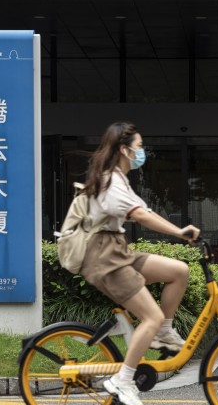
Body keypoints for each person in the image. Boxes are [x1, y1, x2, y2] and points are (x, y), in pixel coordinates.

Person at [79, 122, 200, 405]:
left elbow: (145, 212)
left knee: (179, 271)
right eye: (140, 146)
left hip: (118, 251)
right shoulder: (110, 180)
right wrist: (179, 232)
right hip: (106, 258)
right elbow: (142, 216)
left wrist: (178, 230)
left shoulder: (120, 179)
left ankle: (162, 332)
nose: (142, 151)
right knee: (151, 315)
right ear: (124, 149)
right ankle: (123, 380)